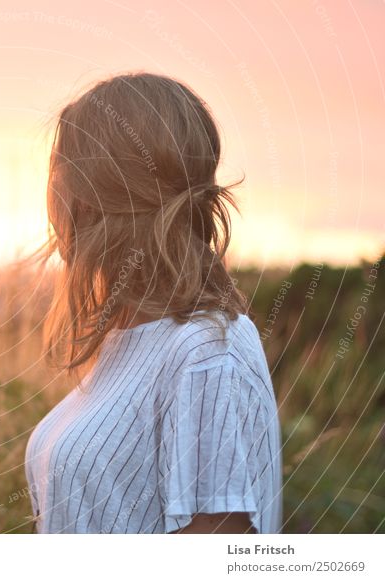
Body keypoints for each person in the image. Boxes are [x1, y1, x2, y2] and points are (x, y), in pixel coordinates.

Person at [24, 72, 282, 534]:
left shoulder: (207, 353)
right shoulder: (129, 340)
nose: (52, 193)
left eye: (60, 167)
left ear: (91, 194)